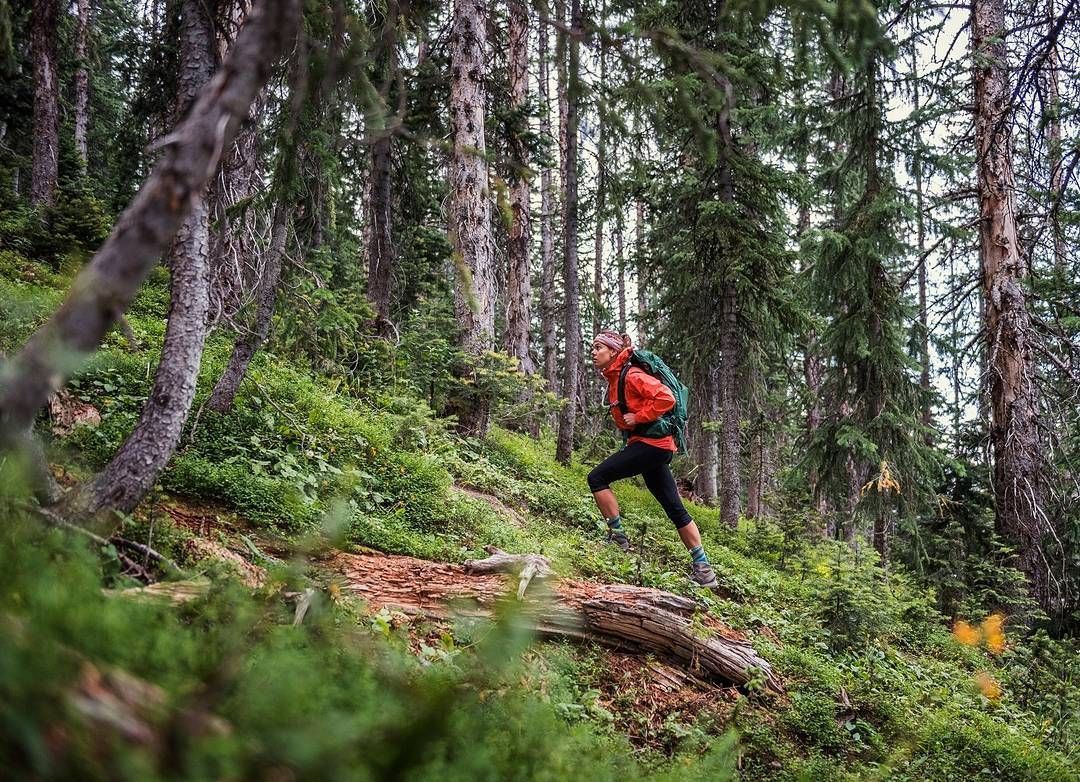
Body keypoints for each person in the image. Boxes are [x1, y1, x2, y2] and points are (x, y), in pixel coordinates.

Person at [587, 330, 718, 588]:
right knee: (674, 507)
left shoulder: (632, 375)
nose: (593, 352)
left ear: (613, 351)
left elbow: (666, 398)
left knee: (597, 478)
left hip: (652, 446)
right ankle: (704, 570)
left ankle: (618, 537)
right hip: (655, 448)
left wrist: (639, 417)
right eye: (593, 347)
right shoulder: (616, 377)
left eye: (598, 347)